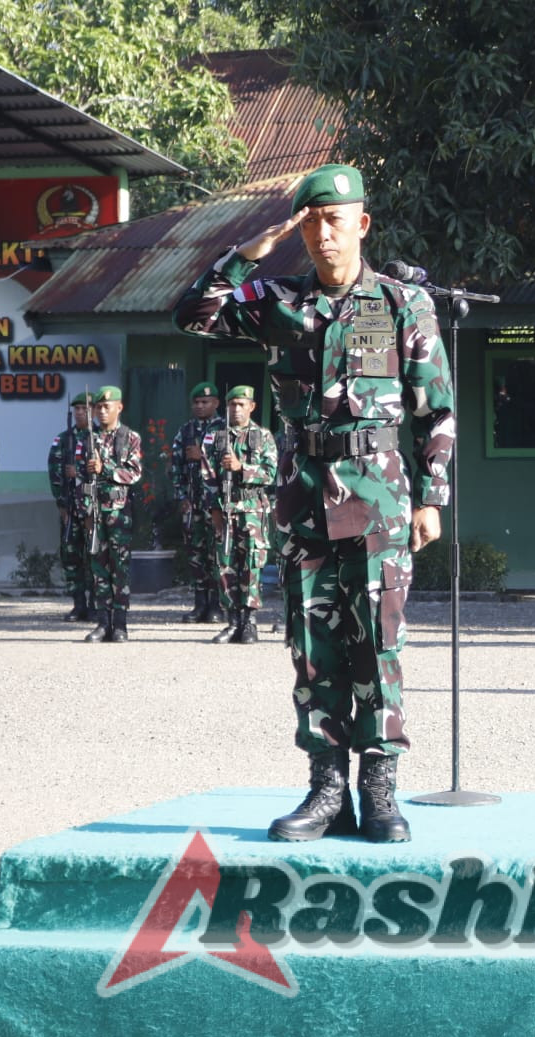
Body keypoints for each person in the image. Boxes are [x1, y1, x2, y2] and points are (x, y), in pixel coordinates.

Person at [172, 163, 455, 845]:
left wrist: (432, 497)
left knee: (378, 640)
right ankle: (328, 789)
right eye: (312, 222)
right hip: (305, 496)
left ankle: (380, 790)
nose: (324, 234)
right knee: (311, 646)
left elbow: (435, 407)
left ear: (361, 224)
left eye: (336, 220)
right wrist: (248, 253)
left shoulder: (400, 305)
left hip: (381, 493)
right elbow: (191, 313)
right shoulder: (277, 299)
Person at [205, 385, 279, 645]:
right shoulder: (215, 436)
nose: (236, 409)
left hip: (251, 512)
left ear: (251, 407)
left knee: (250, 566)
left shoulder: (263, 436)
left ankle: (250, 622)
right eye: (232, 404)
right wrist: (213, 509)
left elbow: (270, 474)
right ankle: (232, 621)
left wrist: (241, 468)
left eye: (241, 404)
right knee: (225, 566)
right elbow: (206, 475)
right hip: (224, 510)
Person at [76, 385, 142, 643]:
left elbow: (134, 473)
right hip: (94, 512)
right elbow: (80, 480)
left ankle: (120, 623)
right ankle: (103, 621)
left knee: (120, 567)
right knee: (98, 567)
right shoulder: (86, 440)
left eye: (106, 406)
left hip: (118, 512)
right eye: (98, 407)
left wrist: (105, 469)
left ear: (119, 407)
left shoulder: (129, 437)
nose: (101, 411)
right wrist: (85, 511)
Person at [170, 382, 226, 624]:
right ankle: (199, 604)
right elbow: (175, 467)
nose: (200, 406)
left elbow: (229, 466)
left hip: (217, 504)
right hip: (194, 503)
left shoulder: (226, 429)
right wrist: (181, 496)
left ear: (216, 403)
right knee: (196, 554)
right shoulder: (186, 431)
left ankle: (216, 605)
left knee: (217, 554)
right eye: (196, 402)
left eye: (205, 402)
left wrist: (202, 456)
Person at [48, 392, 95, 621]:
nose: (79, 413)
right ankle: (79, 603)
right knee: (71, 555)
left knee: (95, 555)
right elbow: (54, 472)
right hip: (71, 507)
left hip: (93, 509)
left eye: (84, 408)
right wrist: (61, 503)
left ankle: (97, 602)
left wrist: (82, 472)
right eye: (76, 409)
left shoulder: (99, 438)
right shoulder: (63, 439)